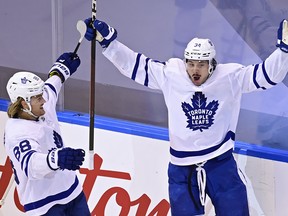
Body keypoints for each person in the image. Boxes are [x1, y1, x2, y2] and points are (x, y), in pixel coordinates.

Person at [83, 17, 288, 216]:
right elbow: (135, 65)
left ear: (211, 64)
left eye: (201, 64)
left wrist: (284, 52)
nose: (195, 70)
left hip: (220, 164)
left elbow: (267, 76)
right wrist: (108, 43)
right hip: (182, 169)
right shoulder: (171, 74)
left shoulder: (230, 77)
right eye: (191, 64)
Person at [4, 52, 90, 216]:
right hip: (43, 205)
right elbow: (31, 165)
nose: (44, 100)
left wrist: (61, 69)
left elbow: (52, 86)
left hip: (72, 191)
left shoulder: (40, 105)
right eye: (38, 97)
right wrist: (57, 158)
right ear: (24, 103)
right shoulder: (16, 132)